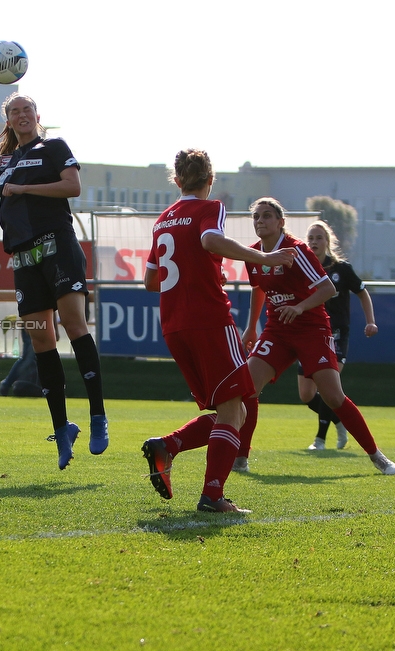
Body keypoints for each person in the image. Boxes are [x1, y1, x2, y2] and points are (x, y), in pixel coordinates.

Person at [0, 92, 108, 470]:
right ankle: (62, 429)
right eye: (15, 111)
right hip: (24, 257)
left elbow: (72, 187)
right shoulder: (2, 161)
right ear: (8, 121)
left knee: (75, 326)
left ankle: (98, 416)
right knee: (40, 339)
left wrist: (26, 189)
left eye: (27, 109)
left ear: (36, 115)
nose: (22, 115)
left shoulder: (54, 147)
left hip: (58, 246)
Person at [139, 149, 297, 513]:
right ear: (211, 180)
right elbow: (210, 241)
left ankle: (169, 446)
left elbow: (150, 280)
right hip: (209, 320)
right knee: (233, 411)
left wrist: (201, 272)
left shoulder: (163, 220)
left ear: (177, 181)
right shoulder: (211, 208)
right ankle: (212, 495)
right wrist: (265, 257)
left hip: (174, 325)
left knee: (230, 410)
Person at [237, 197, 395, 475]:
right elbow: (258, 289)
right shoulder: (254, 254)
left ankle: (376, 455)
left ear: (281, 222)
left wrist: (299, 307)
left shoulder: (297, 250)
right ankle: (241, 457)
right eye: (256, 217)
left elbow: (327, 289)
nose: (260, 221)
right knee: (247, 388)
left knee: (334, 396)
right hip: (277, 330)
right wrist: (252, 327)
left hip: (312, 329)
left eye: (266, 216)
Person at [298, 220, 378, 451]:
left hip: (336, 333)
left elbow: (362, 293)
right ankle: (339, 421)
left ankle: (320, 440)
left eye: (319, 238)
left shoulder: (341, 269)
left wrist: (371, 321)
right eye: (310, 238)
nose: (314, 242)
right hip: (309, 334)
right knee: (306, 394)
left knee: (327, 386)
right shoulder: (304, 268)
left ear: (328, 241)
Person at [0, 328, 43, 397]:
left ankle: (40, 390)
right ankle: (7, 383)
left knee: (34, 358)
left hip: (41, 326)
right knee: (29, 358)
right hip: (35, 325)